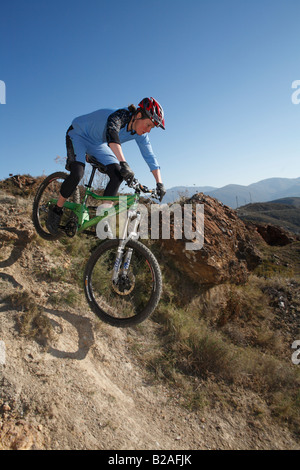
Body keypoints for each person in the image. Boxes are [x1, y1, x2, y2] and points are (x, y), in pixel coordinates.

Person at [46, 97, 166, 235]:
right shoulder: (120, 115)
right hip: (78, 134)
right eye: (148, 125)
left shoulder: (141, 134)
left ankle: (102, 218)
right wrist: (124, 163)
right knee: (77, 173)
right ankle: (56, 209)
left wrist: (159, 183)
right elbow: (112, 134)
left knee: (117, 175)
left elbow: (150, 157)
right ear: (139, 115)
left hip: (96, 144)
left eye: (152, 127)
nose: (149, 130)